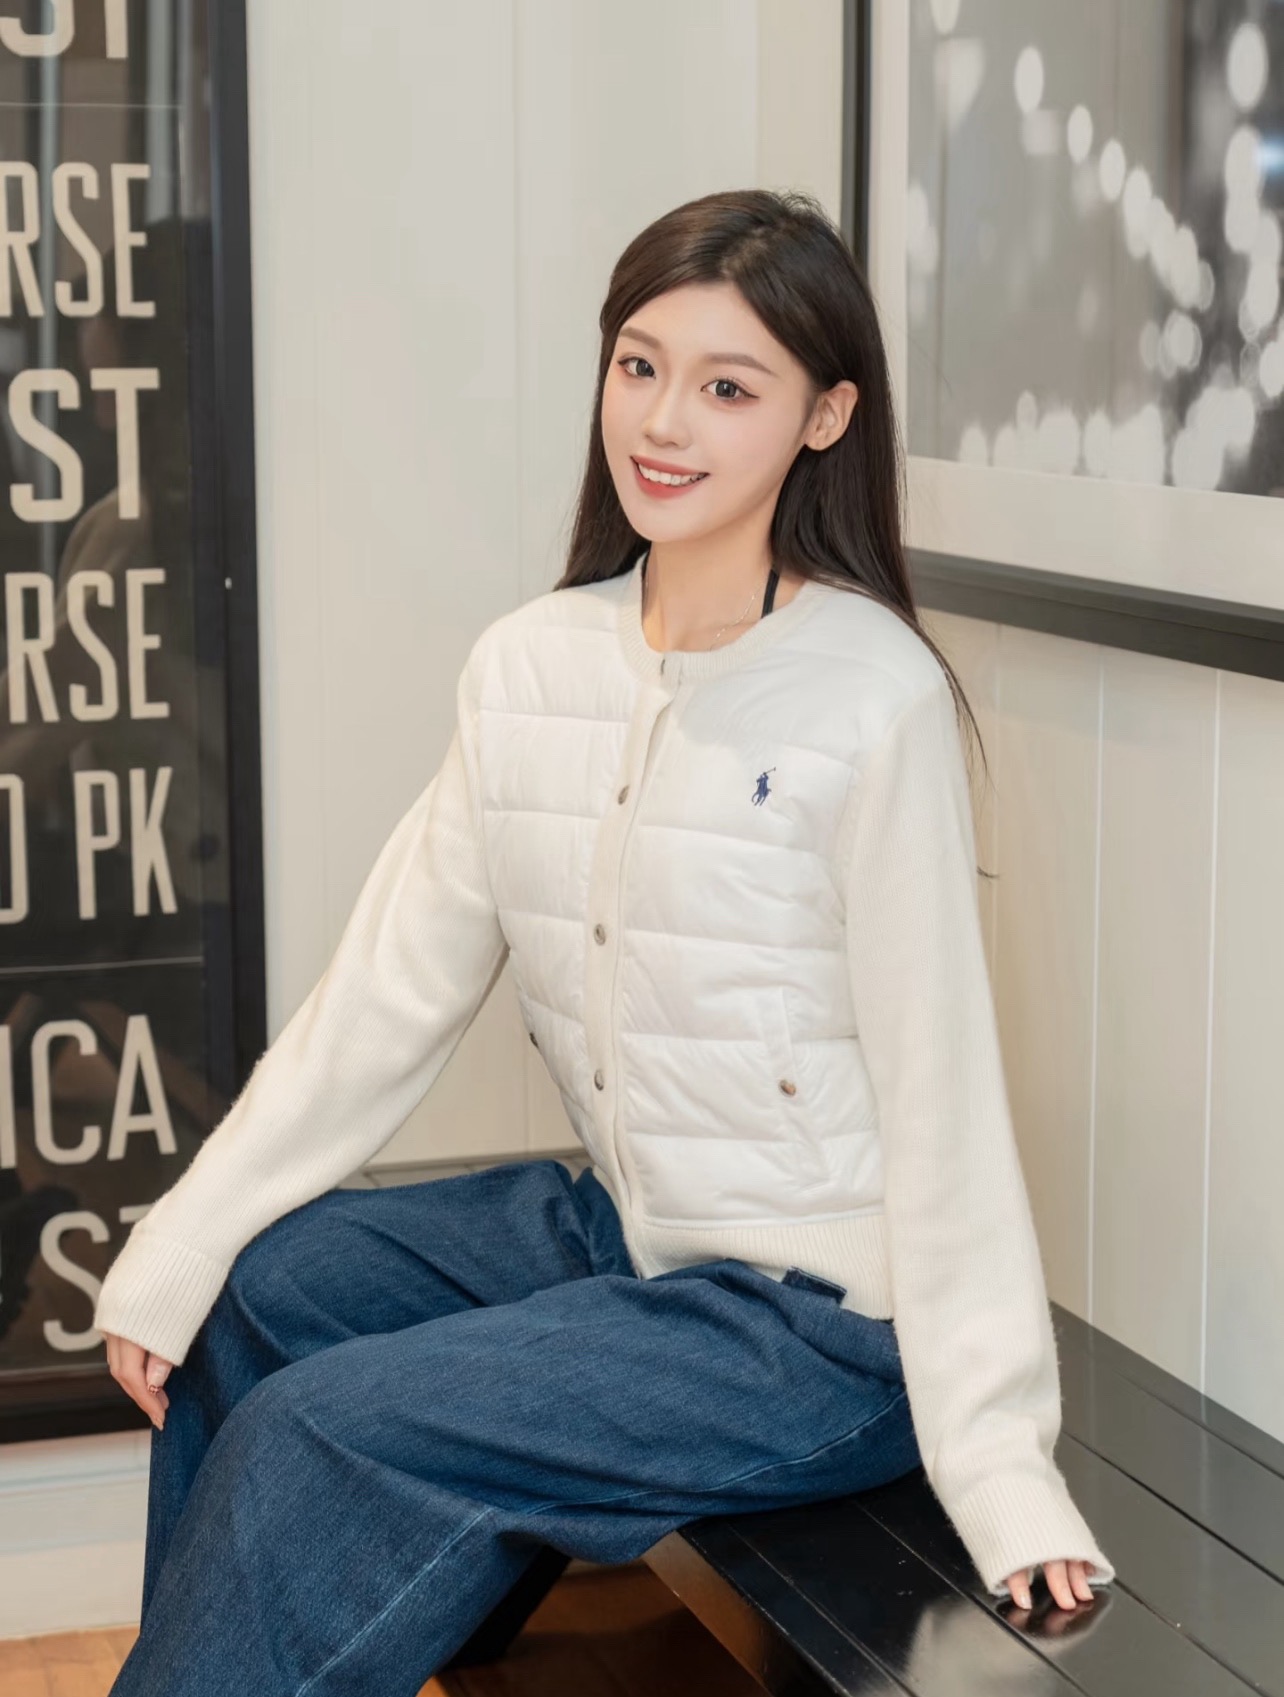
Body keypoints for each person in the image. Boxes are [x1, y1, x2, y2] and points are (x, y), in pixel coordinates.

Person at [95, 187, 1114, 1694]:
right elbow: (384, 994)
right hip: (627, 1238)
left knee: (322, 1427)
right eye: (640, 366)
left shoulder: (870, 696)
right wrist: (180, 1240)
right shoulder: (531, 663)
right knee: (255, 1291)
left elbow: (943, 1102)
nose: (663, 421)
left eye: (728, 387)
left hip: (816, 1330)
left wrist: (1005, 1468)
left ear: (826, 416)